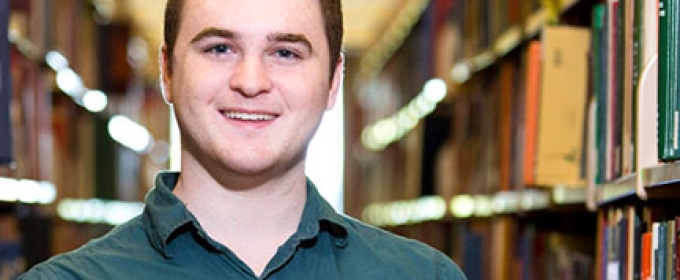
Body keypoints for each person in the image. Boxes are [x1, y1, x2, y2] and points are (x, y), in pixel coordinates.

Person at [20, 0, 468, 279]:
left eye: (286, 53)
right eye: (219, 48)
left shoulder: (425, 276)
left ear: (333, 81)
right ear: (167, 72)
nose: (250, 81)